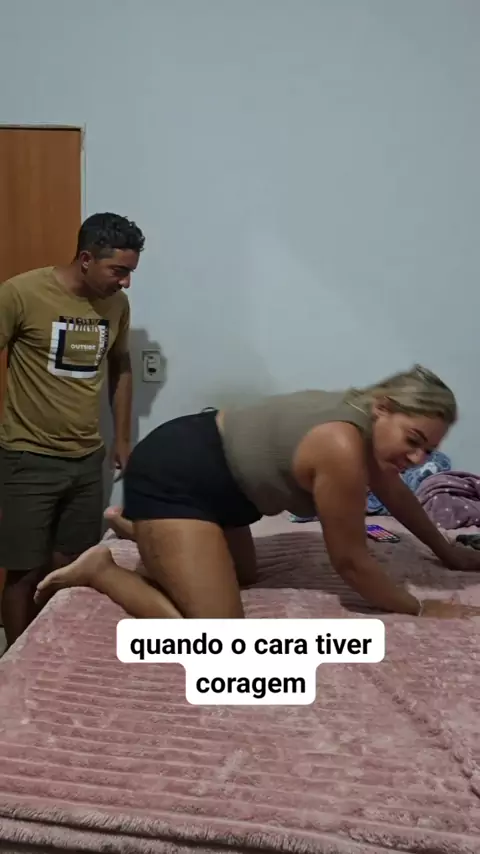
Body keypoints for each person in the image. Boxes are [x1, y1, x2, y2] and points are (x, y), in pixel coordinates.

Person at [36, 365, 480, 620]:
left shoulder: (366, 424)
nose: (418, 458)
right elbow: (350, 562)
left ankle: (139, 531)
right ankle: (101, 569)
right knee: (219, 633)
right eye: (413, 439)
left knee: (244, 575)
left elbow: (397, 495)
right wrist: (420, 608)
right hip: (176, 473)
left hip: (229, 490)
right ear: (383, 408)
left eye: (429, 450)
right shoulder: (341, 444)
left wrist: (448, 552)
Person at [0, 212, 145, 647]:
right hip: (27, 458)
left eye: (130, 272)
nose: (125, 282)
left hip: (86, 460)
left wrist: (122, 440)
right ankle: (16, 665)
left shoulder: (115, 305)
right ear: (85, 259)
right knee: (24, 571)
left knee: (71, 566)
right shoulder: (21, 293)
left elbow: (121, 366)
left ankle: (55, 652)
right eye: (118, 270)